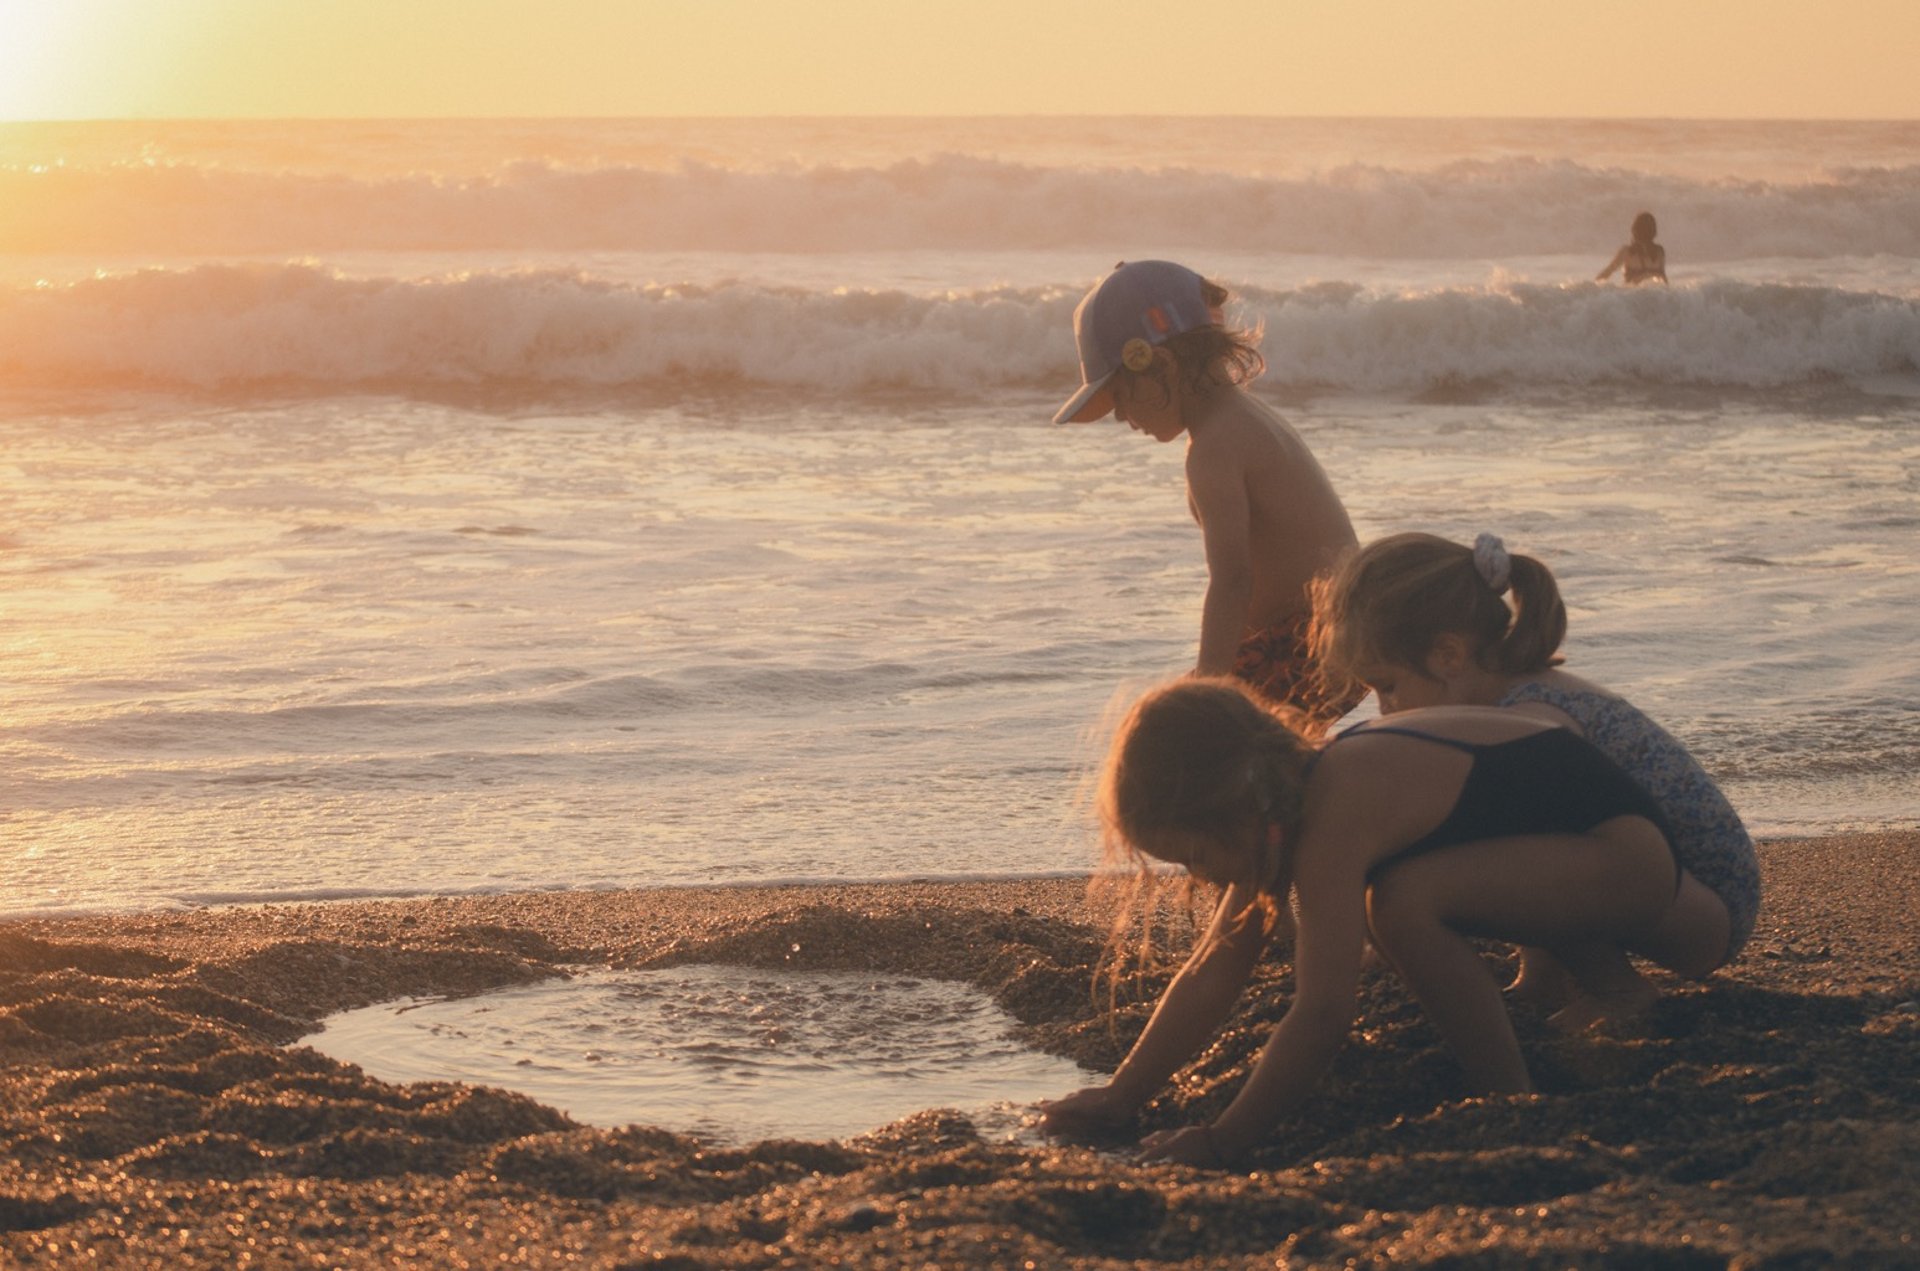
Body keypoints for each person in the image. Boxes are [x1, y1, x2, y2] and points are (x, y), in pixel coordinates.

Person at [1038, 675, 1680, 1166]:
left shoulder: (1334, 812)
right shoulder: (1298, 793)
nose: (1201, 878)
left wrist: (1225, 1138)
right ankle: (1599, 993)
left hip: (1626, 867)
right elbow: (1216, 963)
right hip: (1581, 862)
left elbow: (1323, 1013)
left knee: (1400, 903)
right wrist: (1123, 1095)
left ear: (1238, 802)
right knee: (1399, 896)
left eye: (1196, 856)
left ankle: (1512, 1095)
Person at [1308, 530, 1760, 1023]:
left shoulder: (1531, 714)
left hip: (1701, 907)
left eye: (1389, 686)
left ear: (1449, 655)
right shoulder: (1505, 694)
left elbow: (1552, 836)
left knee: (1512, 832)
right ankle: (1545, 977)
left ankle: (1616, 990)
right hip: (1678, 891)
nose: (1385, 708)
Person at [1054, 260, 1360, 730]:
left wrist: (1209, 691)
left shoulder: (1212, 451)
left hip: (1305, 644)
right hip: (1344, 630)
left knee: (1175, 734)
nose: (1120, 417)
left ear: (1160, 364)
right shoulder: (1248, 416)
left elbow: (1232, 582)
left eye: (1119, 397)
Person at [1597, 211, 1667, 284]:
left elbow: (1608, 272)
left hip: (1632, 294)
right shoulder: (1659, 252)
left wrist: (1591, 290)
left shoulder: (1627, 252)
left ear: (1635, 230)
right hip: (1655, 294)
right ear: (1653, 231)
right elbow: (1664, 281)